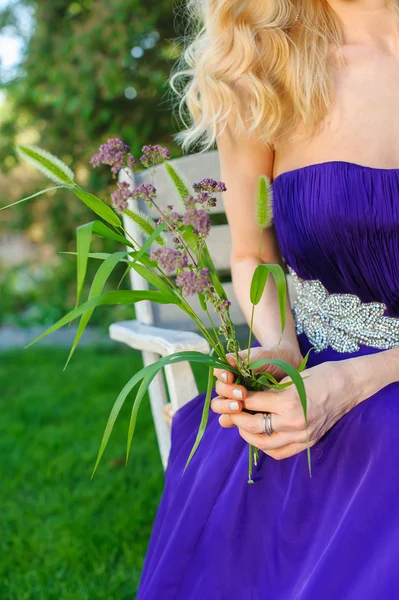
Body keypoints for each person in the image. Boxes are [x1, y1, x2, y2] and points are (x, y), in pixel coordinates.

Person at [137, 1, 399, 598]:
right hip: (319, 370)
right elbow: (254, 255)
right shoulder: (261, 72)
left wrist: (362, 380)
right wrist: (280, 346)